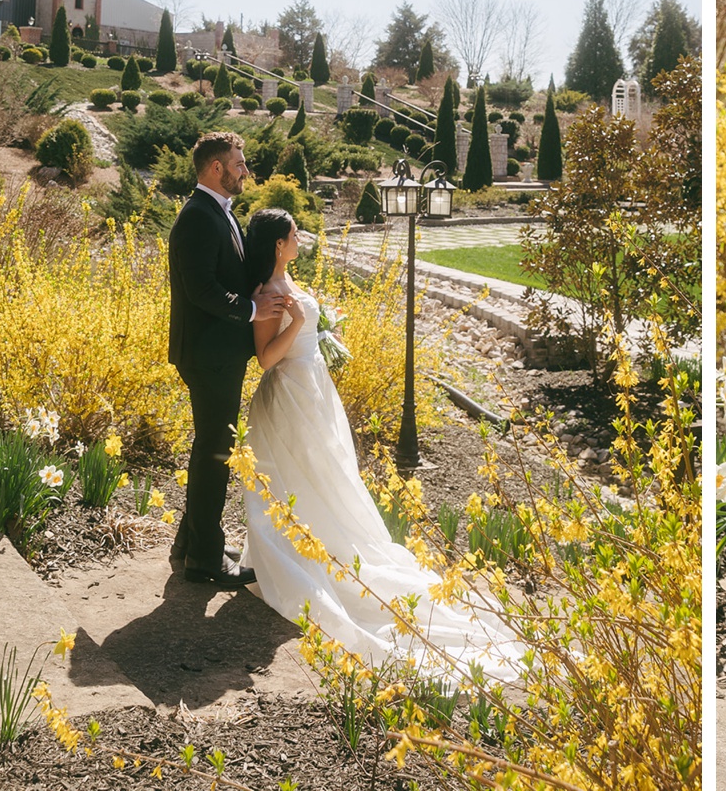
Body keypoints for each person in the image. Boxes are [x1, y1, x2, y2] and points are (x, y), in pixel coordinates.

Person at [238, 208, 525, 683]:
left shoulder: (286, 282)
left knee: (330, 479)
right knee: (301, 477)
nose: (299, 240)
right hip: (288, 396)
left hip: (313, 391)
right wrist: (298, 323)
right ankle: (296, 552)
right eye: (293, 235)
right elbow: (267, 359)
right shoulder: (266, 294)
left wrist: (319, 327)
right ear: (277, 245)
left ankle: (325, 539)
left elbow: (303, 332)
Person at [167, 131, 289, 587]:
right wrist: (255, 310)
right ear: (216, 167)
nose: (245, 170)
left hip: (216, 351)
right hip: (208, 353)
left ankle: (193, 543)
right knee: (215, 452)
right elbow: (201, 291)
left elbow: (227, 275)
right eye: (239, 163)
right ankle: (203, 559)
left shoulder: (218, 213)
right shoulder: (199, 217)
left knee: (210, 448)